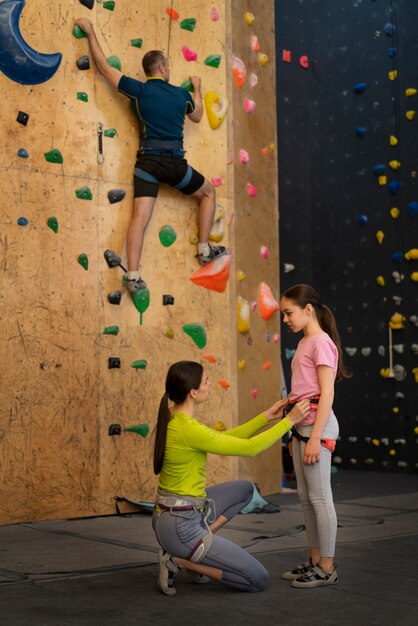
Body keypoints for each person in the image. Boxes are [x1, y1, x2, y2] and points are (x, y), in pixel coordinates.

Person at [75, 19, 226, 293]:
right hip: (175, 165)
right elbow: (198, 116)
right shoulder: (182, 95)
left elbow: (104, 68)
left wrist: (90, 32)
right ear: (163, 68)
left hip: (147, 164)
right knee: (208, 193)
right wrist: (197, 89)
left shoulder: (140, 90)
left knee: (139, 220)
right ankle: (204, 249)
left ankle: (132, 276)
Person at [152, 360, 311, 595]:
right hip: (180, 527)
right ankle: (182, 561)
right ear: (193, 392)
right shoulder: (188, 429)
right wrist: (290, 421)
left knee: (244, 490)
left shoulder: (174, 418)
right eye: (206, 381)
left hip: (172, 516)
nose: (210, 384)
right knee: (257, 578)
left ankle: (194, 547)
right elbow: (250, 448)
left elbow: (225, 439)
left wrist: (265, 418)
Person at [279, 284, 351, 588]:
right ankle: (314, 560)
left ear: (308, 310)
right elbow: (303, 390)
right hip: (301, 428)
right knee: (307, 499)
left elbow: (327, 392)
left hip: (316, 430)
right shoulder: (305, 343)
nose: (285, 320)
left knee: (321, 499)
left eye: (288, 313)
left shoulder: (321, 343)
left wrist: (314, 437)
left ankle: (328, 566)